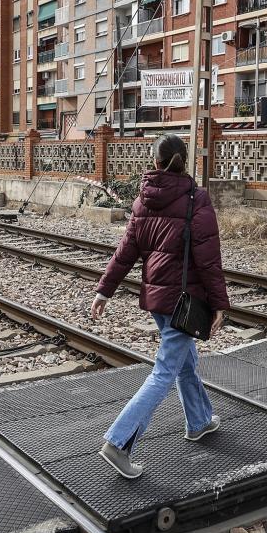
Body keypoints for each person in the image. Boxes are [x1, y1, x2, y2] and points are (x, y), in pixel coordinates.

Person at [90, 134, 230, 479]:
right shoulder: (196, 199)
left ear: (154, 161)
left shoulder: (143, 200)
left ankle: (198, 421)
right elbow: (209, 261)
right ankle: (119, 442)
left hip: (158, 300)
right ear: (185, 160)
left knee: (185, 361)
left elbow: (125, 253)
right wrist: (219, 305)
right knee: (164, 371)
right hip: (185, 301)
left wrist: (104, 291)